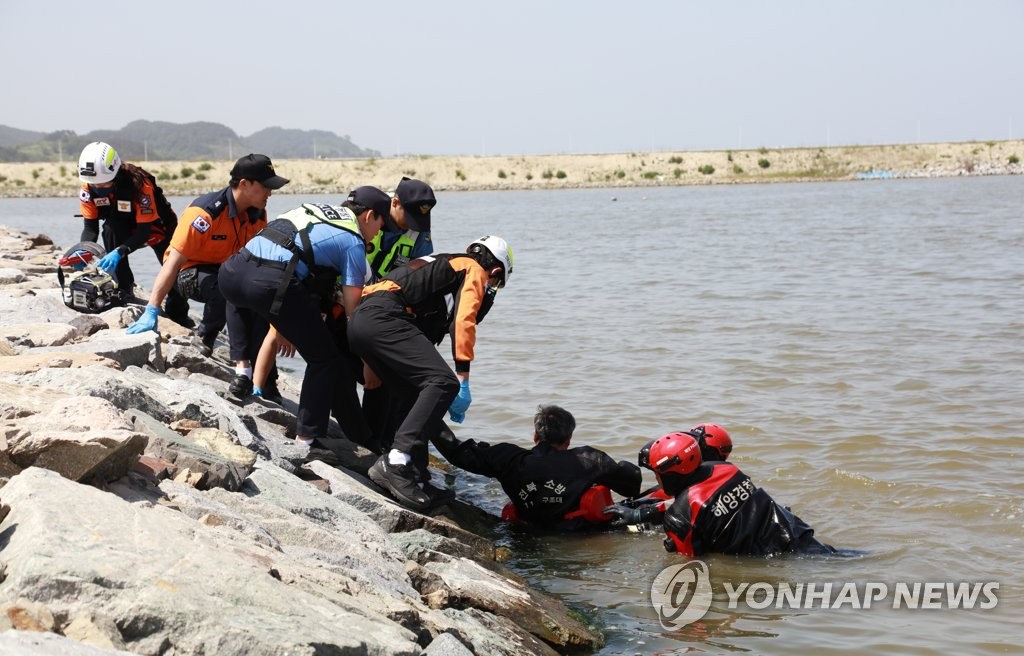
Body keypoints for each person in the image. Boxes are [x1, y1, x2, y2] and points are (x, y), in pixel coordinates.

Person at [348, 235, 514, 511]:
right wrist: (462, 376)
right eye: (495, 284)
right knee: (443, 382)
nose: (491, 289)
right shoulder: (473, 269)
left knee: (412, 396)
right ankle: (396, 461)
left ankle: (417, 476)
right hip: (384, 317)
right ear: (495, 271)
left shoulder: (445, 263)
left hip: (363, 320)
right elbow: (463, 320)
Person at [218, 188, 390, 447]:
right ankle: (306, 440)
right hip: (271, 282)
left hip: (232, 272)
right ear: (368, 216)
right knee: (325, 359)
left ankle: (243, 371)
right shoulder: (353, 241)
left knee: (247, 300)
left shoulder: (315, 209)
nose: (378, 234)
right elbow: (355, 314)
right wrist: (368, 360)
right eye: (380, 225)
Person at [126, 154, 288, 394]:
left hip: (228, 272)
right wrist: (152, 309)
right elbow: (172, 263)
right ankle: (205, 338)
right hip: (190, 274)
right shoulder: (205, 214)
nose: (270, 193)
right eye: (266, 186)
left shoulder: (257, 213)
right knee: (226, 288)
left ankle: (266, 383)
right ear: (244, 184)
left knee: (258, 304)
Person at [605, 431, 837, 557]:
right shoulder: (728, 469)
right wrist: (641, 515)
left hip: (781, 557)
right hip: (798, 534)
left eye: (656, 472)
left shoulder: (679, 518)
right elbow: (701, 500)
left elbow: (688, 562)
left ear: (669, 474)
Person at [431, 405, 642, 530]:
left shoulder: (508, 459)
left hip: (526, 533)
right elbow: (632, 486)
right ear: (568, 439)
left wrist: (427, 418)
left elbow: (458, 454)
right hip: (579, 535)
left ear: (535, 436)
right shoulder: (589, 460)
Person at [76, 142, 191, 325]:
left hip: (157, 228)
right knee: (109, 229)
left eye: (104, 183)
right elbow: (90, 228)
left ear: (115, 172)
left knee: (175, 270)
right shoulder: (88, 189)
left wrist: (119, 251)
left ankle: (178, 315)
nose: (99, 187)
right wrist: (83, 249)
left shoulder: (139, 184)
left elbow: (144, 233)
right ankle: (124, 289)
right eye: (95, 184)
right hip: (123, 225)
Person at [361, 177, 437, 451]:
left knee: (392, 377)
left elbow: (423, 279)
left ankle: (383, 443)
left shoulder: (420, 235)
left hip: (388, 310)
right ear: (394, 203)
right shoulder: (369, 215)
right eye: (410, 216)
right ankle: (354, 437)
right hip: (350, 299)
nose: (413, 225)